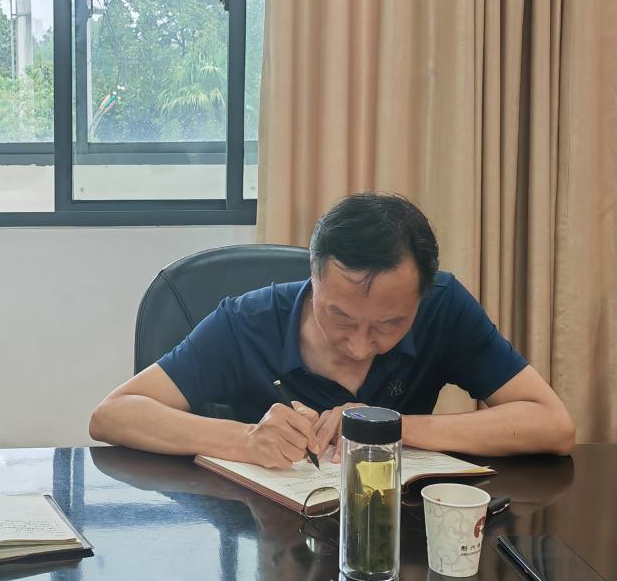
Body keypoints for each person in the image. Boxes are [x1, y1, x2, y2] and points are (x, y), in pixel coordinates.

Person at [90, 193, 575, 468]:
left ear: (421, 296)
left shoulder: (444, 306)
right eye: (340, 317)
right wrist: (245, 440)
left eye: (389, 324)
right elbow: (112, 415)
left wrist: (388, 426)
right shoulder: (248, 322)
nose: (361, 346)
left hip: (397, 542)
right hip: (266, 546)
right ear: (313, 278)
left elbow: (552, 425)